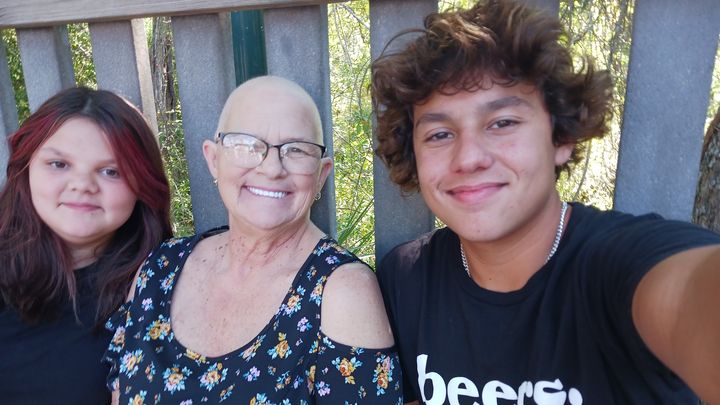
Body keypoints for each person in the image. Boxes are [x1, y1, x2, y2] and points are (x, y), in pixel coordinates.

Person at [371, 0, 720, 404]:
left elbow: (691, 299)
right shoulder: (407, 280)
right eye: (439, 134)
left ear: (560, 137)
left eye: (502, 123)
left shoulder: (620, 266)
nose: (468, 158)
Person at [104, 75, 403, 404]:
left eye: (296, 150)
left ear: (321, 174)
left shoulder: (341, 293)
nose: (272, 168)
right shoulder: (160, 269)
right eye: (246, 145)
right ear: (213, 159)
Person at [0, 87, 172, 404]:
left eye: (110, 171)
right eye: (59, 164)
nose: (82, 185)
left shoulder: (164, 288)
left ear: (143, 185)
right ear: (26, 168)